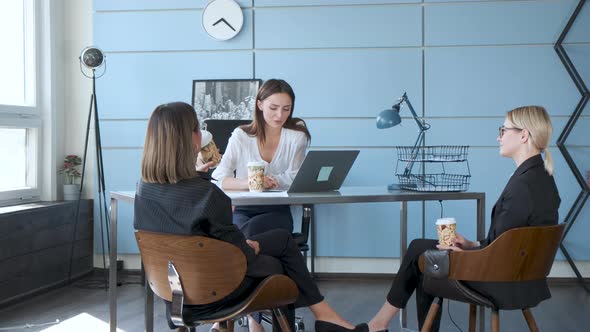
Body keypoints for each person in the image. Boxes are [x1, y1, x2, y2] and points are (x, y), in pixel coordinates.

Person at [134, 102, 366, 332]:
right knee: (281, 262)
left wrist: (198, 178)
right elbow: (241, 254)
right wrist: (250, 246)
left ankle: (322, 316)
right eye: (197, 129)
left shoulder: (143, 190)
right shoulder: (208, 196)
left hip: (174, 291)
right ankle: (322, 317)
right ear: (191, 139)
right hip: (221, 291)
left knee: (282, 238)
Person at [367, 105, 561, 332]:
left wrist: (470, 254)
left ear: (524, 135)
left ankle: (378, 324)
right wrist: (473, 245)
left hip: (500, 279)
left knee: (422, 254)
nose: (498, 137)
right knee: (423, 251)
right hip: (526, 279)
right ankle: (380, 324)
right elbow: (510, 243)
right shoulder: (543, 179)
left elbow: (504, 251)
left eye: (503, 130)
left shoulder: (522, 186)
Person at [211, 79, 311, 238]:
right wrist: (253, 182)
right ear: (259, 105)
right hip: (243, 208)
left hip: (278, 209)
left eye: (286, 109)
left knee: (244, 235)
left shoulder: (297, 137)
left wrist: (268, 181)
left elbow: (295, 177)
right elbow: (219, 178)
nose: (280, 115)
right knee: (247, 233)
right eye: (273, 108)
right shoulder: (241, 136)